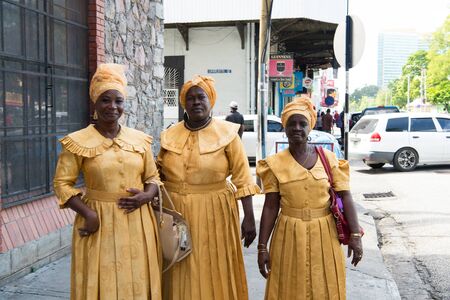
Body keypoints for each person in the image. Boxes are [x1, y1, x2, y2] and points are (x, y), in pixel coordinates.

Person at [53, 64, 162, 300]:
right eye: (105, 100)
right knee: (102, 279)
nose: (112, 107)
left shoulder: (140, 140)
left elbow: (153, 177)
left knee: (137, 279)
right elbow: (62, 184)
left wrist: (147, 195)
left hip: (138, 222)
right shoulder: (77, 142)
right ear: (95, 103)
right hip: (98, 222)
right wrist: (88, 214)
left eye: (118, 101)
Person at [158, 75, 259, 300]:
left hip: (215, 212)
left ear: (210, 100)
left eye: (201, 97)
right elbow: (156, 173)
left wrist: (249, 217)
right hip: (176, 212)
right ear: (184, 102)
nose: (196, 102)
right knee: (179, 263)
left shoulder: (228, 135)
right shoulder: (170, 135)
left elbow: (243, 177)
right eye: (190, 98)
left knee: (212, 262)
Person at [256, 96, 363, 300]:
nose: (297, 128)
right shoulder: (273, 164)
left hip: (325, 233)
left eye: (302, 123)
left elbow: (345, 196)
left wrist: (355, 236)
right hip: (288, 233)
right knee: (288, 286)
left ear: (310, 127)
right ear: (285, 128)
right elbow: (270, 207)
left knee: (325, 284)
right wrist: (262, 247)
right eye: (292, 123)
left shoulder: (329, 159)